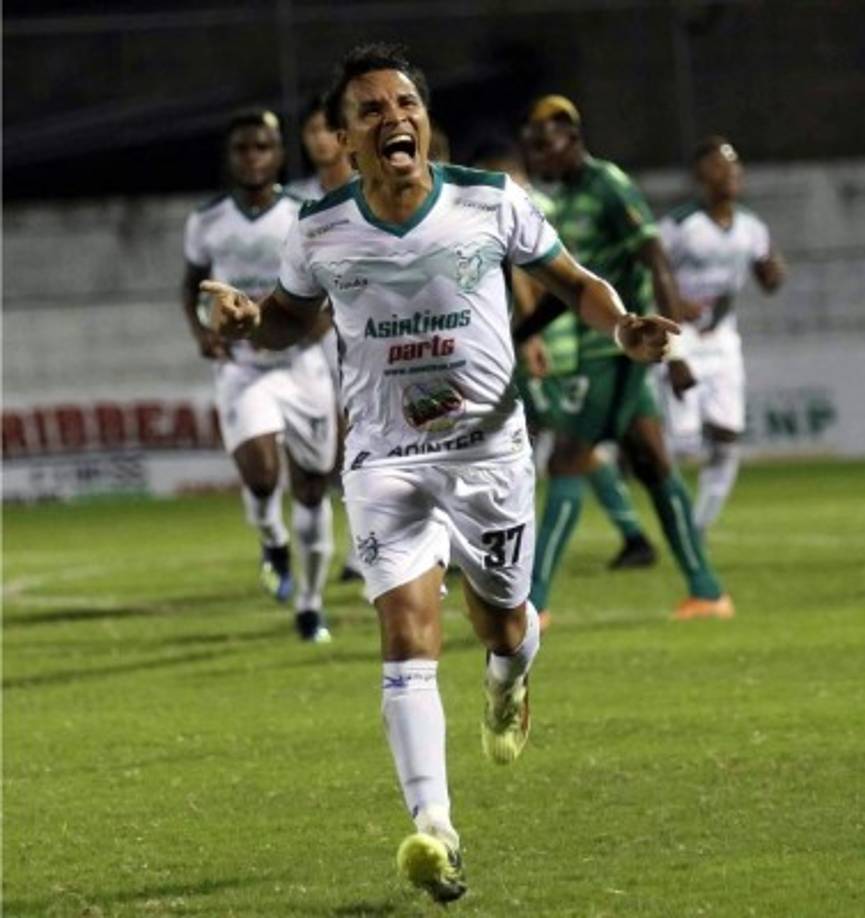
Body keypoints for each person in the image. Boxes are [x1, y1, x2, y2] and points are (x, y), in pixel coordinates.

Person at [199, 43, 677, 904]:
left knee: (501, 628)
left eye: (406, 104)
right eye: (372, 110)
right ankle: (435, 833)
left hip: (489, 455)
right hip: (385, 461)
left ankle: (510, 679)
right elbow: (286, 322)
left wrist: (622, 327)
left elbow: (573, 282)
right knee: (406, 634)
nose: (395, 118)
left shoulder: (490, 200)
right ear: (343, 138)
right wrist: (245, 318)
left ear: (425, 118)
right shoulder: (318, 230)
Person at [517, 94, 733, 625]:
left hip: (614, 354)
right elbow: (567, 291)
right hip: (604, 352)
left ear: (573, 137)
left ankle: (535, 604)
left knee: (568, 459)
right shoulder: (564, 201)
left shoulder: (607, 185)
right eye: (533, 146)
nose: (539, 156)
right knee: (655, 466)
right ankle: (706, 590)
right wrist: (516, 334)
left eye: (547, 144)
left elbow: (654, 256)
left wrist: (674, 348)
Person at [182, 108, 337, 642]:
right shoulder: (207, 219)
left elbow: (338, 278)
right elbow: (192, 283)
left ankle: (311, 604)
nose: (252, 157)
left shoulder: (307, 212)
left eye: (262, 147)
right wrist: (203, 332)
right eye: (242, 148)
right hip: (244, 367)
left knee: (314, 488)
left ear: (278, 155)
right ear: (230, 157)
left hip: (302, 364)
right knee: (262, 475)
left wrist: (321, 325)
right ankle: (272, 539)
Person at [472, 138, 658, 581]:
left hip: (546, 346)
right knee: (558, 441)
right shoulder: (544, 206)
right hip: (558, 342)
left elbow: (532, 276)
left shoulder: (515, 207)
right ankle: (630, 533)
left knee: (547, 444)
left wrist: (526, 335)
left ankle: (502, 554)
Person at [658, 136, 786, 532]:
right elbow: (650, 274)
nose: (730, 172)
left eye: (734, 165)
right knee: (684, 441)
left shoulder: (751, 227)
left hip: (723, 339)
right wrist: (674, 304)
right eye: (719, 165)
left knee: (728, 437)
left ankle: (696, 530)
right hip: (682, 338)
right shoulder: (679, 225)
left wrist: (774, 271)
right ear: (701, 176)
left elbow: (770, 275)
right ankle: (645, 471)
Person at [286, 97, 365, 583]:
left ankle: (366, 549)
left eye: (327, 129)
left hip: (362, 335)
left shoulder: (367, 192)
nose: (320, 139)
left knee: (366, 438)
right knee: (323, 451)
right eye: (311, 130)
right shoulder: (295, 201)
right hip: (311, 344)